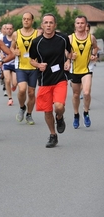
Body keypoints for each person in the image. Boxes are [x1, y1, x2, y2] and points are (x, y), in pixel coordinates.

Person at [29, 13, 72, 148]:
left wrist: (68, 61)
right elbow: (31, 60)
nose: (48, 25)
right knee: (47, 110)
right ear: (42, 25)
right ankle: (53, 135)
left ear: (55, 25)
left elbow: (70, 52)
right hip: (44, 80)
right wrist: (38, 65)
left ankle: (59, 117)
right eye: (46, 23)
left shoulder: (63, 38)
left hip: (60, 78)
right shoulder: (37, 42)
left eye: (51, 23)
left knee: (59, 106)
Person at [11, 12, 41, 125]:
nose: (26, 21)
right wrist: (14, 51)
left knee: (31, 93)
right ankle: (22, 107)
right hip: (20, 66)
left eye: (28, 19)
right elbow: (11, 48)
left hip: (33, 67)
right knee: (22, 89)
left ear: (32, 21)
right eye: (24, 19)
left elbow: (42, 48)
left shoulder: (38, 34)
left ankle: (29, 114)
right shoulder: (16, 34)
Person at [68, 16, 98, 128]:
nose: (80, 25)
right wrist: (70, 56)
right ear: (75, 25)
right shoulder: (70, 38)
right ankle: (76, 115)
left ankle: (86, 112)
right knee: (76, 94)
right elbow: (65, 53)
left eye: (82, 23)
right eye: (78, 23)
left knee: (86, 92)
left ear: (86, 25)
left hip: (87, 69)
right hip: (75, 69)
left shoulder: (91, 38)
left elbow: (95, 48)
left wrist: (94, 55)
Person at [0, 23, 17, 105]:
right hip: (6, 62)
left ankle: (13, 86)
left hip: (14, 63)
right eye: (7, 28)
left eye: (10, 28)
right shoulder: (2, 39)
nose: (9, 30)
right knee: (7, 79)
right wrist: (1, 54)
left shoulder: (16, 39)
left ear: (12, 29)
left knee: (14, 83)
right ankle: (10, 98)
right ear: (5, 30)